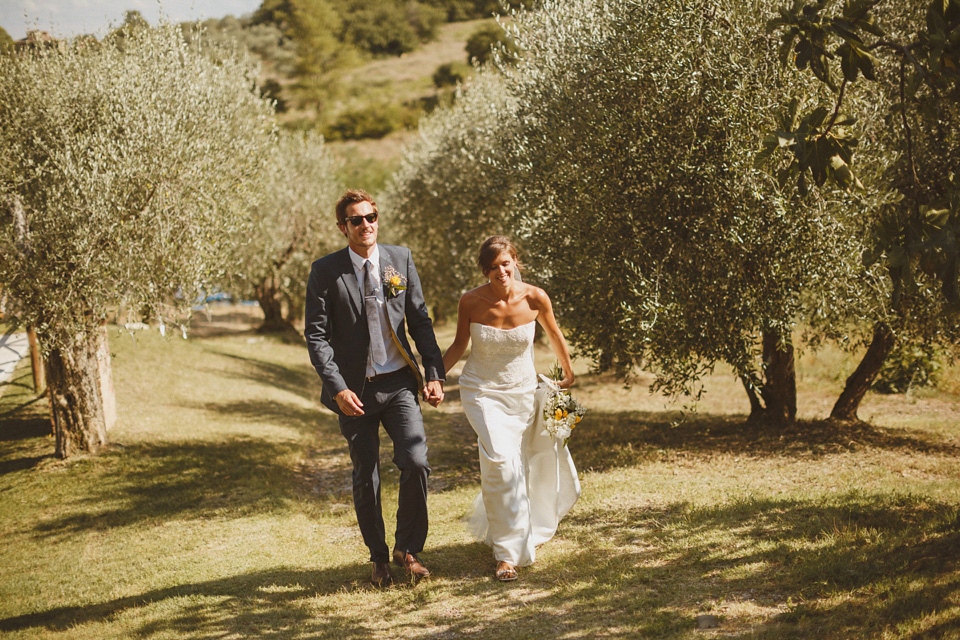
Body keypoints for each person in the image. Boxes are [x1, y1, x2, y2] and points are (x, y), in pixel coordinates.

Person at [305, 188, 445, 587]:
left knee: (415, 461)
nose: (366, 225)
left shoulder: (399, 260)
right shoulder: (325, 271)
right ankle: (379, 558)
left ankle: (409, 550)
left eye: (371, 216)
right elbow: (316, 337)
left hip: (399, 381)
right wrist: (336, 388)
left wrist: (433, 372)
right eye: (356, 220)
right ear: (342, 227)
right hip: (355, 391)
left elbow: (419, 320)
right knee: (366, 474)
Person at [442, 235, 580, 582]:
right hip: (482, 391)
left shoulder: (535, 296)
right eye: (492, 268)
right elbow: (460, 344)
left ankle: (518, 528)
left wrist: (568, 370)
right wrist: (432, 377)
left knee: (526, 463)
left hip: (523, 392)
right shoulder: (471, 302)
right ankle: (507, 556)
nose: (501, 272)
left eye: (506, 263)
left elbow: (553, 331)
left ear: (515, 261)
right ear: (485, 271)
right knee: (502, 462)